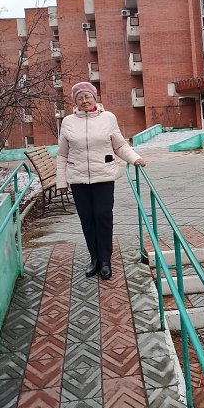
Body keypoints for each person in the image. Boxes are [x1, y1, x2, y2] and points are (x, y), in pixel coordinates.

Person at [56, 81, 146, 280]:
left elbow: (119, 146)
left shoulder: (108, 118)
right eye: (80, 98)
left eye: (87, 96)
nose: (84, 100)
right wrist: (61, 181)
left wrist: (135, 158)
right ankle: (94, 259)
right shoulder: (68, 122)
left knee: (103, 217)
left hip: (103, 176)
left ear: (95, 98)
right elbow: (62, 154)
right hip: (78, 179)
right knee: (87, 220)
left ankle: (105, 260)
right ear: (75, 102)